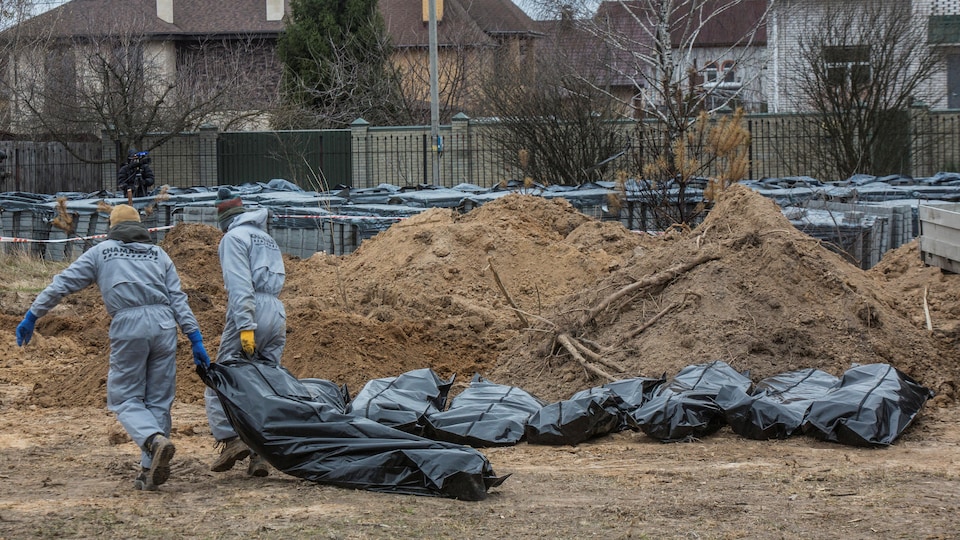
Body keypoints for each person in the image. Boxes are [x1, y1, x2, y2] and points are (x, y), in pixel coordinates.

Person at [14, 204, 211, 491]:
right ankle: (149, 468)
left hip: (129, 324)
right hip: (165, 324)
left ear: (112, 227)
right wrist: (195, 338)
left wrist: (33, 314)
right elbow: (178, 299)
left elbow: (62, 284)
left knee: (125, 398)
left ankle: (153, 440)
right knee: (158, 398)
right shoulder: (159, 254)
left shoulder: (102, 253)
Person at [205, 188, 286, 478]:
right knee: (263, 383)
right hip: (276, 312)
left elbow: (241, 288)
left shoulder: (233, 239)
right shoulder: (267, 239)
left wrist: (246, 328)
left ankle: (231, 440)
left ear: (223, 218)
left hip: (252, 312)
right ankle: (259, 454)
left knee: (221, 379)